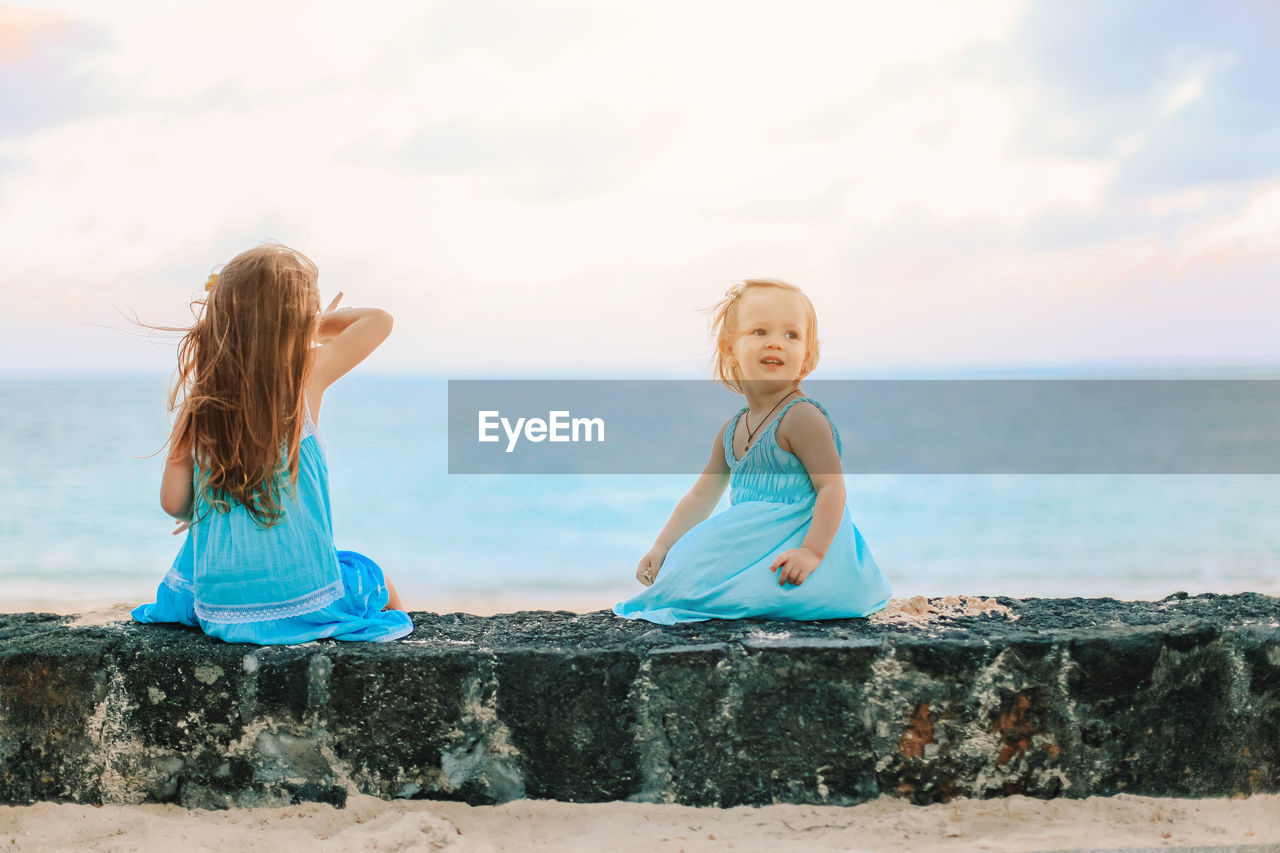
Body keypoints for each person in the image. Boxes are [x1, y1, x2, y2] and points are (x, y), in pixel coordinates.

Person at [132, 244, 413, 644]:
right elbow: (379, 321)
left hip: (220, 611)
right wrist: (313, 326)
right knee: (370, 574)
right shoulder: (305, 375)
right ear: (297, 320)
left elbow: (173, 504)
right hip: (304, 602)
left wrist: (200, 507)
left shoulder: (201, 402)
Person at [614, 279, 891, 624]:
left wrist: (811, 552)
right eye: (760, 331)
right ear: (730, 348)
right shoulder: (732, 429)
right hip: (754, 543)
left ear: (807, 355)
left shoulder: (802, 417)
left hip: (803, 548)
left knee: (722, 594)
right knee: (682, 570)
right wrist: (662, 547)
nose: (776, 342)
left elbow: (831, 488)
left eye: (791, 335)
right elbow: (701, 495)